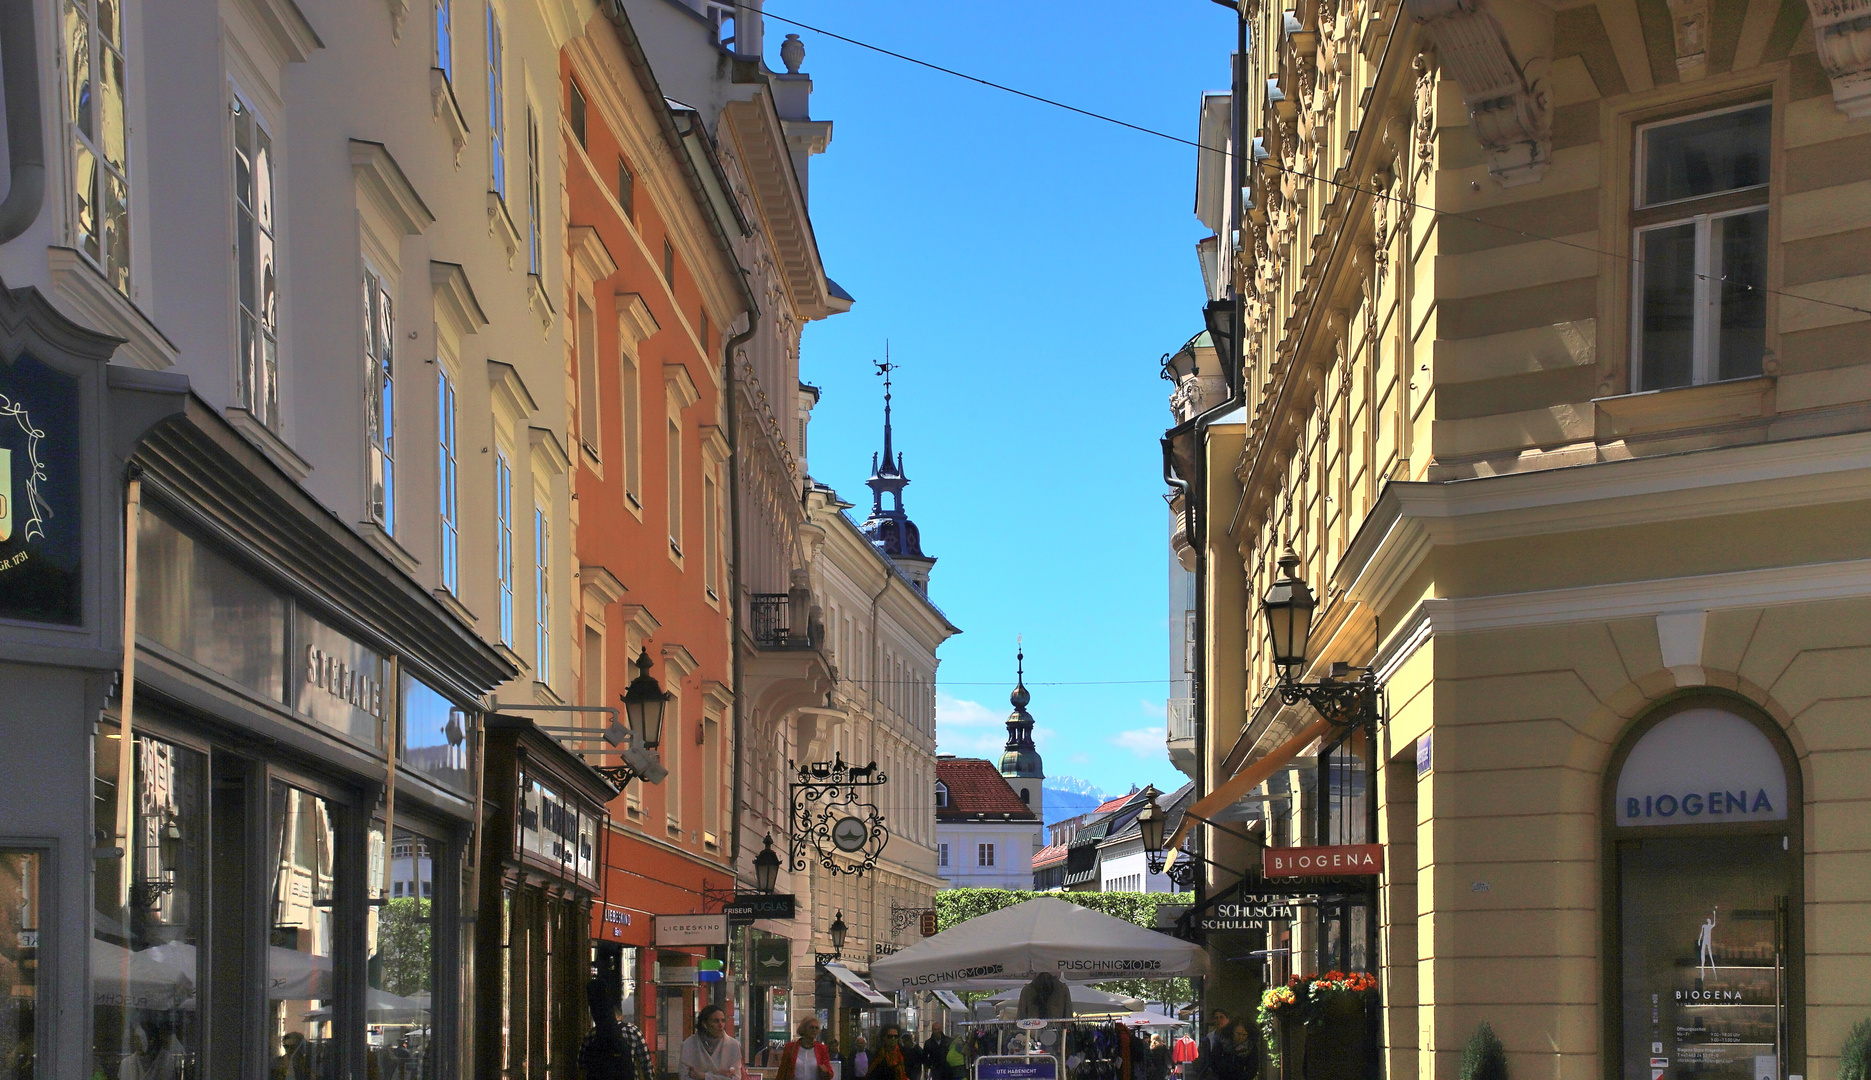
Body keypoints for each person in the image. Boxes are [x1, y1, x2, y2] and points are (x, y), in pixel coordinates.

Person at [582, 978, 653, 1080]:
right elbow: (646, 1064)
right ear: (620, 1015)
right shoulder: (633, 1031)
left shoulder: (591, 1034)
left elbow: (582, 1064)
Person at [680, 1005, 743, 1080]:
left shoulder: (733, 1045)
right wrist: (722, 1077)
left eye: (723, 1021)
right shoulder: (689, 1044)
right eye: (716, 1021)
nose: (720, 1025)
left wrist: (703, 1077)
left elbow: (736, 1078)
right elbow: (683, 1077)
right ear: (704, 1024)